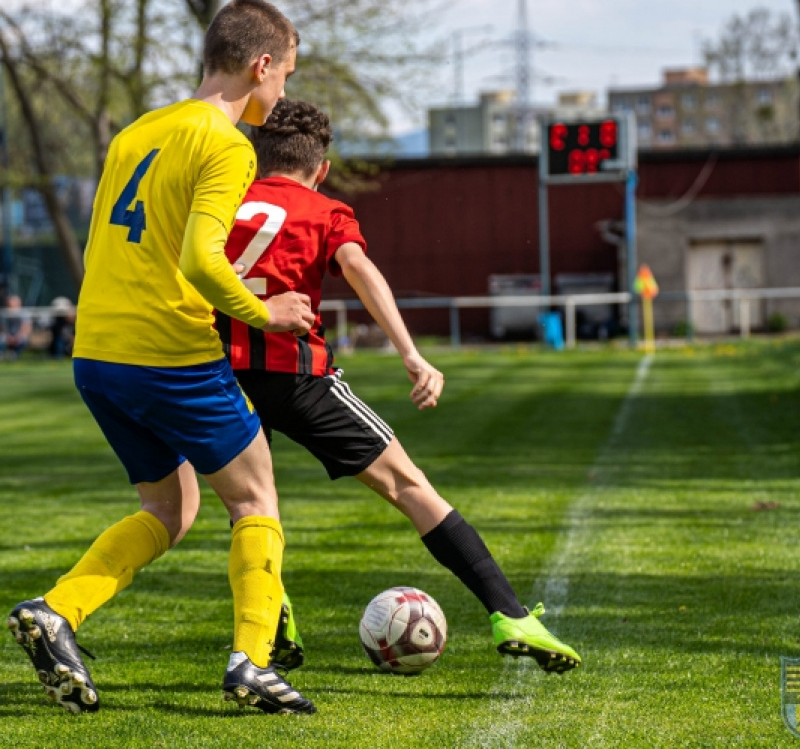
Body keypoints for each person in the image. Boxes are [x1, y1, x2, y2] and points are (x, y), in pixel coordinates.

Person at [7, 0, 318, 716]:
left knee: (169, 506)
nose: (281, 94)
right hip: (166, 349)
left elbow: (110, 246)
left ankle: (58, 612)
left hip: (97, 352)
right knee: (254, 497)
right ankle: (252, 662)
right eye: (284, 76)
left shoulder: (138, 131)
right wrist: (264, 311)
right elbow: (202, 259)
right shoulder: (229, 143)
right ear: (259, 64)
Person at [216, 99, 582, 676]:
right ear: (322, 168)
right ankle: (509, 615)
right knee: (409, 486)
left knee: (249, 506)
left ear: (256, 157)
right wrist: (411, 354)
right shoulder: (326, 210)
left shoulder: (223, 202)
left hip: (220, 377)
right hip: (298, 376)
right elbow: (360, 269)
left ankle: (272, 610)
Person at [0, 294, 32, 359]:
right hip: (7, 335)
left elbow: (26, 327)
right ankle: (1, 353)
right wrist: (9, 337)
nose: (11, 307)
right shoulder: (4, 313)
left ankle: (14, 354)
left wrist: (17, 337)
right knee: (1, 338)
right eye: (9, 305)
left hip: (19, 335)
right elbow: (2, 327)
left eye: (14, 305)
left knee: (24, 338)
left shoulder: (24, 313)